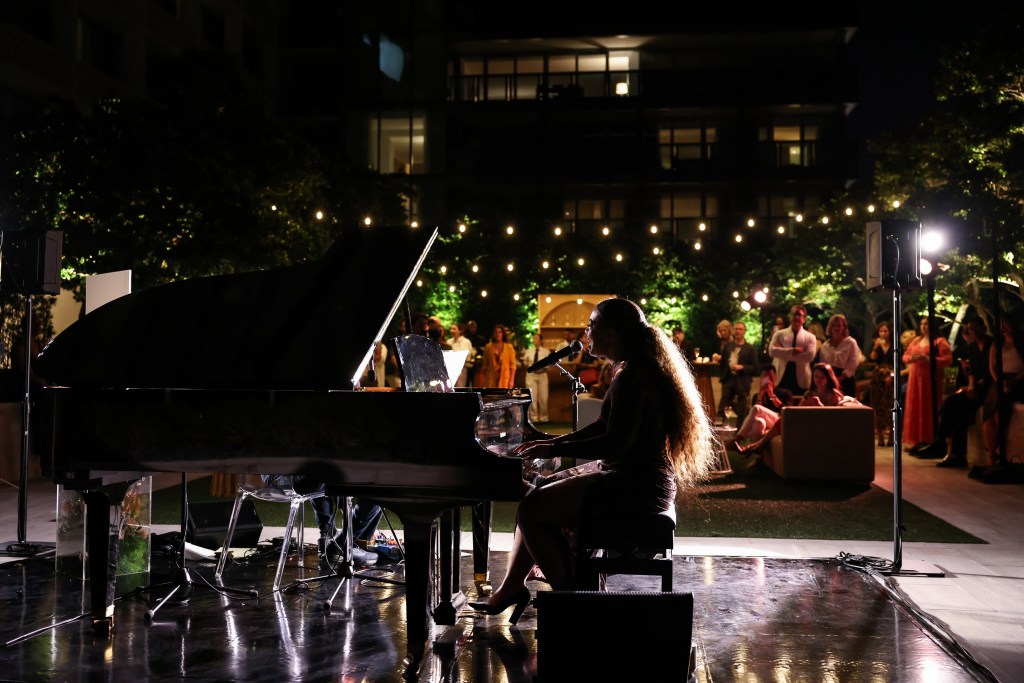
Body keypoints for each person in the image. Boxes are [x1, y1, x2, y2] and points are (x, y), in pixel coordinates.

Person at [469, 297, 717, 619]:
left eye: (591, 325)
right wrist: (552, 440)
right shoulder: (633, 369)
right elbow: (604, 426)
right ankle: (511, 589)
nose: (586, 332)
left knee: (532, 509)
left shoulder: (633, 377)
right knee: (537, 491)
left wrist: (555, 448)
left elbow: (616, 444)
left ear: (611, 332)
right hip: (636, 478)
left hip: (636, 486)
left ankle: (573, 600)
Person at [911, 317, 993, 467]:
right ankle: (955, 454)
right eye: (970, 329)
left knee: (954, 404)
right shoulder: (973, 347)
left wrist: (976, 385)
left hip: (989, 387)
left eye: (975, 328)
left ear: (983, 328)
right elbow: (973, 370)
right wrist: (970, 383)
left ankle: (941, 442)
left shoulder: (991, 344)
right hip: (974, 386)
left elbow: (992, 369)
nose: (972, 332)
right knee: (956, 409)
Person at [736, 363, 858, 462]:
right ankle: (757, 450)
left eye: (822, 377)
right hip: (805, 423)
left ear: (828, 378)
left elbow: (834, 416)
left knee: (785, 418)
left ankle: (755, 445)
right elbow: (795, 411)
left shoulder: (834, 394)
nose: (818, 380)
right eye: (816, 376)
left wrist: (818, 405)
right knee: (776, 419)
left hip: (821, 426)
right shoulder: (810, 393)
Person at [260, 475, 380, 566]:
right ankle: (345, 542)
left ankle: (328, 535)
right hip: (293, 479)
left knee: (321, 470)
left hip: (270, 475)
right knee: (378, 486)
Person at [979, 318, 1024, 473]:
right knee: (989, 414)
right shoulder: (996, 345)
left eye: (1005, 325)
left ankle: (1000, 451)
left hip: (1017, 380)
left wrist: (1013, 381)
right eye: (1000, 326)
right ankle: (991, 453)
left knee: (1000, 411)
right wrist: (1000, 381)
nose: (1003, 328)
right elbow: (992, 366)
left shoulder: (1021, 344)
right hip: (998, 380)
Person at [901, 317, 953, 450]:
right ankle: (915, 440)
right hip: (915, 378)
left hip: (930, 378)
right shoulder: (917, 340)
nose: (924, 326)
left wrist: (928, 359)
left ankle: (929, 439)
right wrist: (911, 358)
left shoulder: (939, 341)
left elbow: (948, 360)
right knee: (915, 406)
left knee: (928, 406)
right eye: (922, 324)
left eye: (927, 324)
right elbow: (905, 356)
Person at [715, 321, 759, 427]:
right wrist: (723, 377)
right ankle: (718, 431)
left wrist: (742, 367)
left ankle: (740, 433)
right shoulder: (728, 346)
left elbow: (756, 367)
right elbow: (724, 363)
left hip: (743, 381)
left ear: (744, 331)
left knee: (742, 409)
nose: (738, 331)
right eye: (736, 329)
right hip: (729, 380)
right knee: (722, 406)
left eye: (740, 329)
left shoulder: (750, 348)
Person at [768, 304, 817, 397]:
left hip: (801, 380)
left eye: (799, 315)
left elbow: (810, 357)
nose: (797, 317)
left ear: (804, 319)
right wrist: (793, 350)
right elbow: (772, 352)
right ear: (790, 317)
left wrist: (782, 351)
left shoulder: (810, 337)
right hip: (781, 378)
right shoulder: (779, 334)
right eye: (795, 314)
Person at [818, 313, 862, 398]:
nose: (836, 328)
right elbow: (822, 364)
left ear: (844, 327)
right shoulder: (825, 345)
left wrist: (840, 379)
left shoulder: (850, 342)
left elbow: (854, 362)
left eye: (839, 325)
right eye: (834, 325)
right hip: (829, 379)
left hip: (846, 380)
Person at [868, 321, 895, 447]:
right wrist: (875, 346)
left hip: (891, 375)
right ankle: (879, 435)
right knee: (877, 404)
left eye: (886, 331)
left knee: (891, 405)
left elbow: (899, 364)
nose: (883, 333)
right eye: (881, 331)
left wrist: (892, 376)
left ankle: (892, 436)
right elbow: (872, 358)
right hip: (878, 377)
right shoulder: (877, 345)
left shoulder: (895, 345)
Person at [522, 333, 550, 422]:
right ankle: (534, 418)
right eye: (533, 338)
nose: (534, 340)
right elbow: (525, 363)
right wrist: (524, 362)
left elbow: (549, 365)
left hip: (542, 375)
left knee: (543, 398)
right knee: (532, 397)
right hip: (531, 375)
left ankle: (544, 418)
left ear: (541, 340)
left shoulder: (546, 351)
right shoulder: (529, 351)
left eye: (536, 338)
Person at [482, 323, 517, 388]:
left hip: (505, 378)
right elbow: (485, 366)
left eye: (500, 332)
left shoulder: (509, 348)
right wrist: (484, 381)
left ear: (503, 334)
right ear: (493, 334)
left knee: (503, 397)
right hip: (490, 378)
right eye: (496, 332)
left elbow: (513, 366)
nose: (498, 334)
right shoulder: (488, 347)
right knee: (491, 397)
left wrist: (511, 381)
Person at [448, 322, 474, 387]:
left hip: (461, 369)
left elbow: (468, 355)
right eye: (451, 329)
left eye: (454, 329)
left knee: (460, 387)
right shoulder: (448, 341)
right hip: (450, 369)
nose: (452, 330)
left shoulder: (466, 341)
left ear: (460, 331)